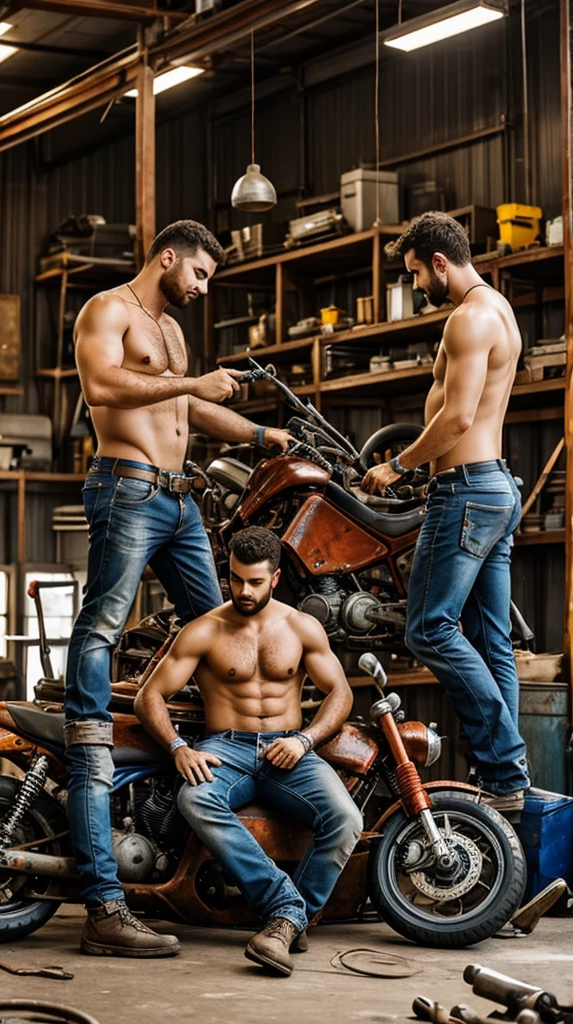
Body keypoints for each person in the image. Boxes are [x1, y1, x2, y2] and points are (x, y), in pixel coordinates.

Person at [66, 220, 293, 958]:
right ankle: (89, 721)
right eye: (198, 274)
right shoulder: (108, 311)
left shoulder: (169, 332)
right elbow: (104, 386)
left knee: (223, 625)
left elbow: (185, 409)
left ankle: (208, 755)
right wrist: (193, 382)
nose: (202, 289)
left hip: (178, 499)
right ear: (168, 257)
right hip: (126, 487)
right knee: (102, 624)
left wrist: (259, 436)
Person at [134, 526, 363, 977]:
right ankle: (286, 910)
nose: (243, 590)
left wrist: (305, 740)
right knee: (194, 798)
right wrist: (179, 747)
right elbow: (149, 696)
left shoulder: (301, 626)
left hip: (290, 748)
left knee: (347, 819)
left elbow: (340, 692)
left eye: (255, 582)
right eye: (236, 579)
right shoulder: (205, 630)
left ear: (274, 579)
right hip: (227, 748)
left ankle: (287, 920)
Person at [361, 211, 529, 816]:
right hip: (495, 488)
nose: (417, 289)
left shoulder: (467, 319)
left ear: (438, 262)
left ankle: (505, 767)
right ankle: (507, 783)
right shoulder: (500, 309)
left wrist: (398, 466)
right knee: (491, 640)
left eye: (415, 275)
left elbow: (457, 419)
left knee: (428, 628)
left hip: (465, 491)